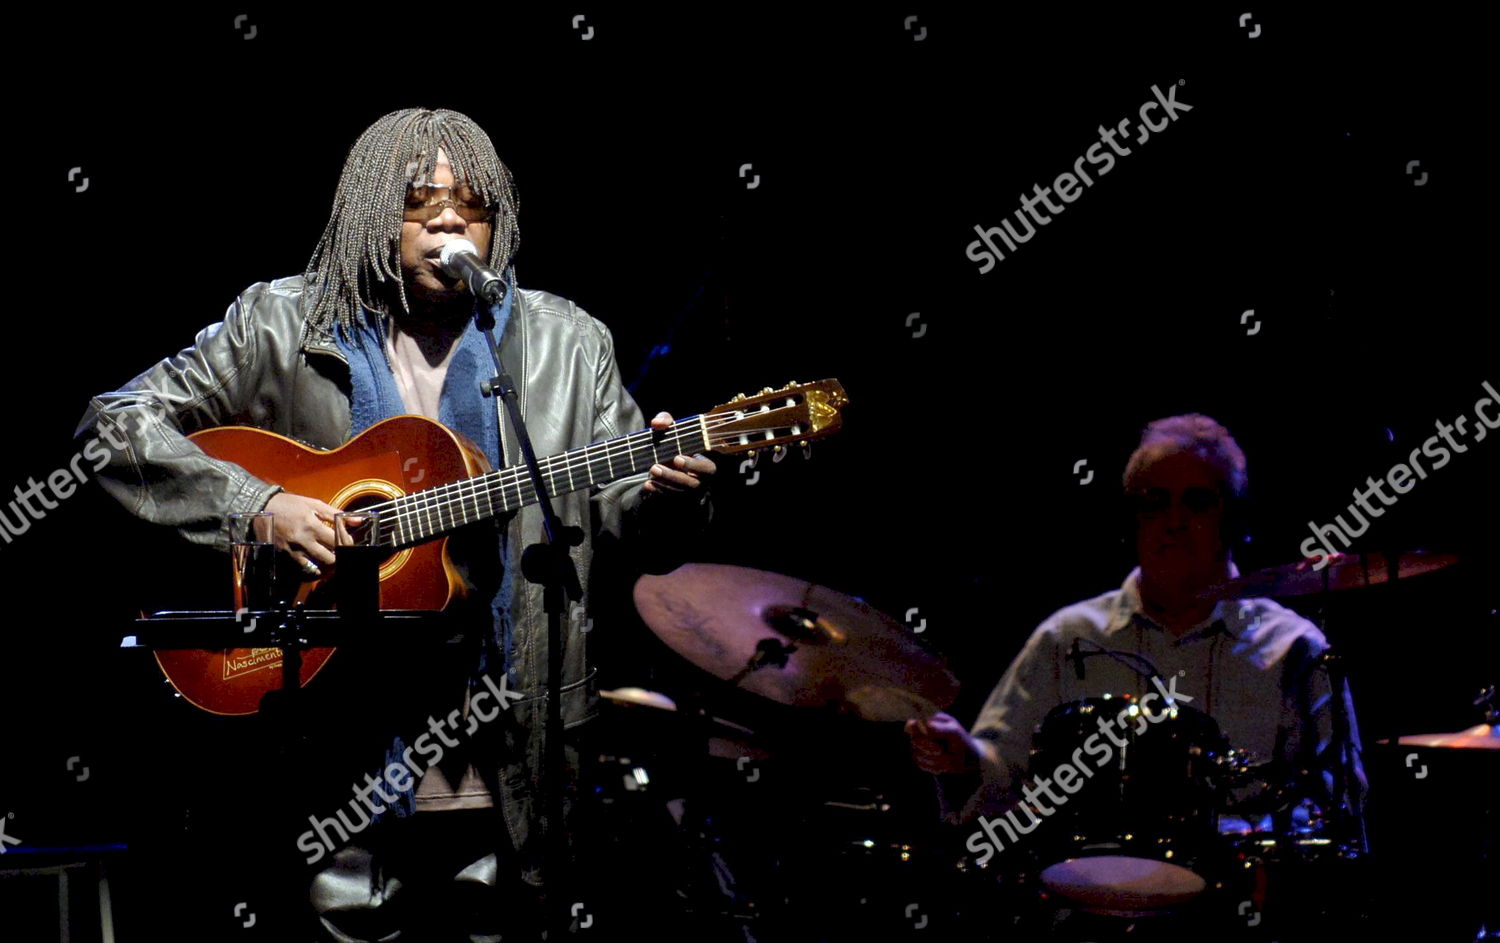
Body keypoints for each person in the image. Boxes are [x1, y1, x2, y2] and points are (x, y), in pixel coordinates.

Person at [75, 108, 715, 940]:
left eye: (473, 205)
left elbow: (631, 533)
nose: (451, 220)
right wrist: (255, 504)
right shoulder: (279, 322)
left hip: (511, 757)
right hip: (331, 760)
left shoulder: (568, 343)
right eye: (420, 201)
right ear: (373, 212)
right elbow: (112, 427)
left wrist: (671, 494)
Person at [906, 414, 1364, 845]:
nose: (1175, 520)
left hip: (1237, 902)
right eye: (1154, 503)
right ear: (1134, 518)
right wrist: (965, 760)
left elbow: (1337, 805)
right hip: (1083, 899)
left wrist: (1230, 842)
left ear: (1234, 516)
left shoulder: (1295, 647)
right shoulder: (1067, 635)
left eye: (1198, 501)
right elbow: (1004, 773)